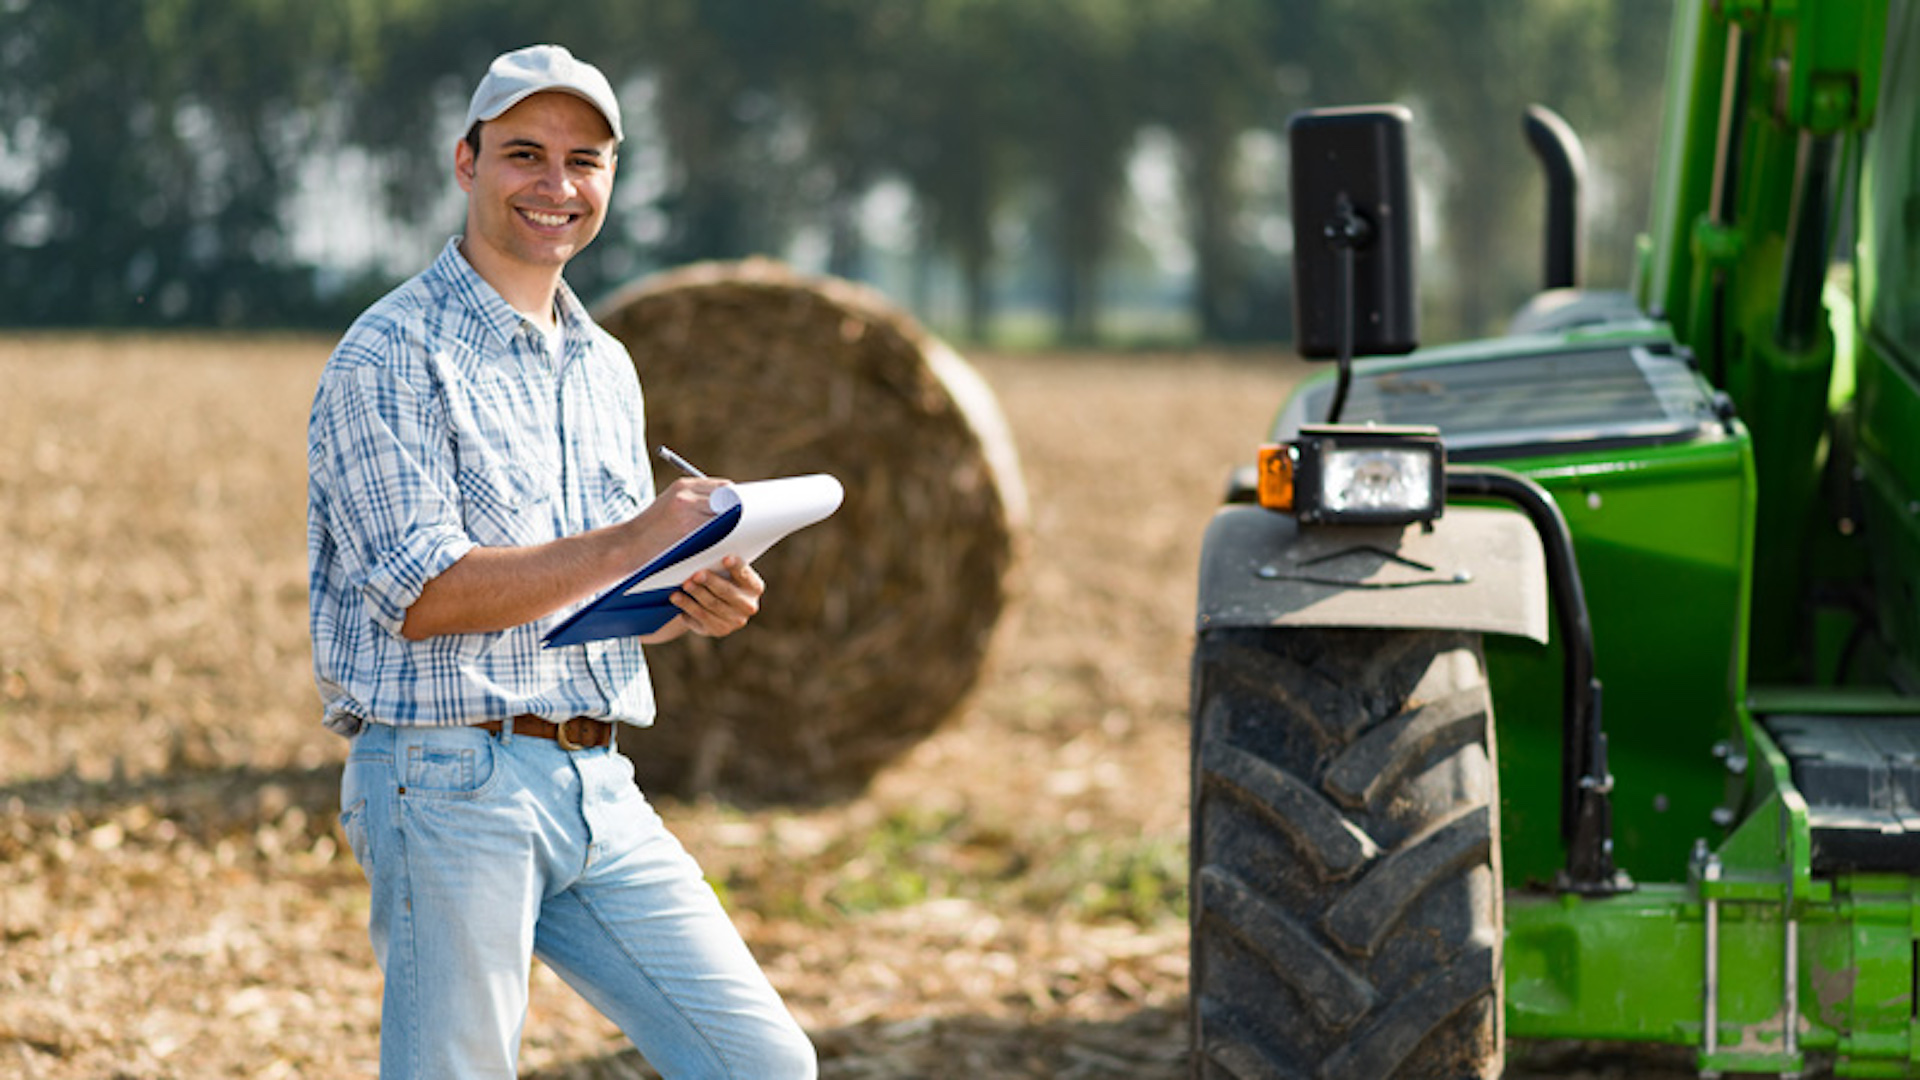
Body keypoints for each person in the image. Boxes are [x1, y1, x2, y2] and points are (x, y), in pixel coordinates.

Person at [305, 44, 817, 1079]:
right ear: (466, 162)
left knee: (764, 1065)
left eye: (584, 161)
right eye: (525, 154)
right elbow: (423, 594)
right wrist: (636, 539)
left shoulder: (605, 366)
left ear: (611, 179)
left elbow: (584, 589)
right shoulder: (392, 353)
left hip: (597, 778)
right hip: (447, 780)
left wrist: (685, 595)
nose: (557, 185)